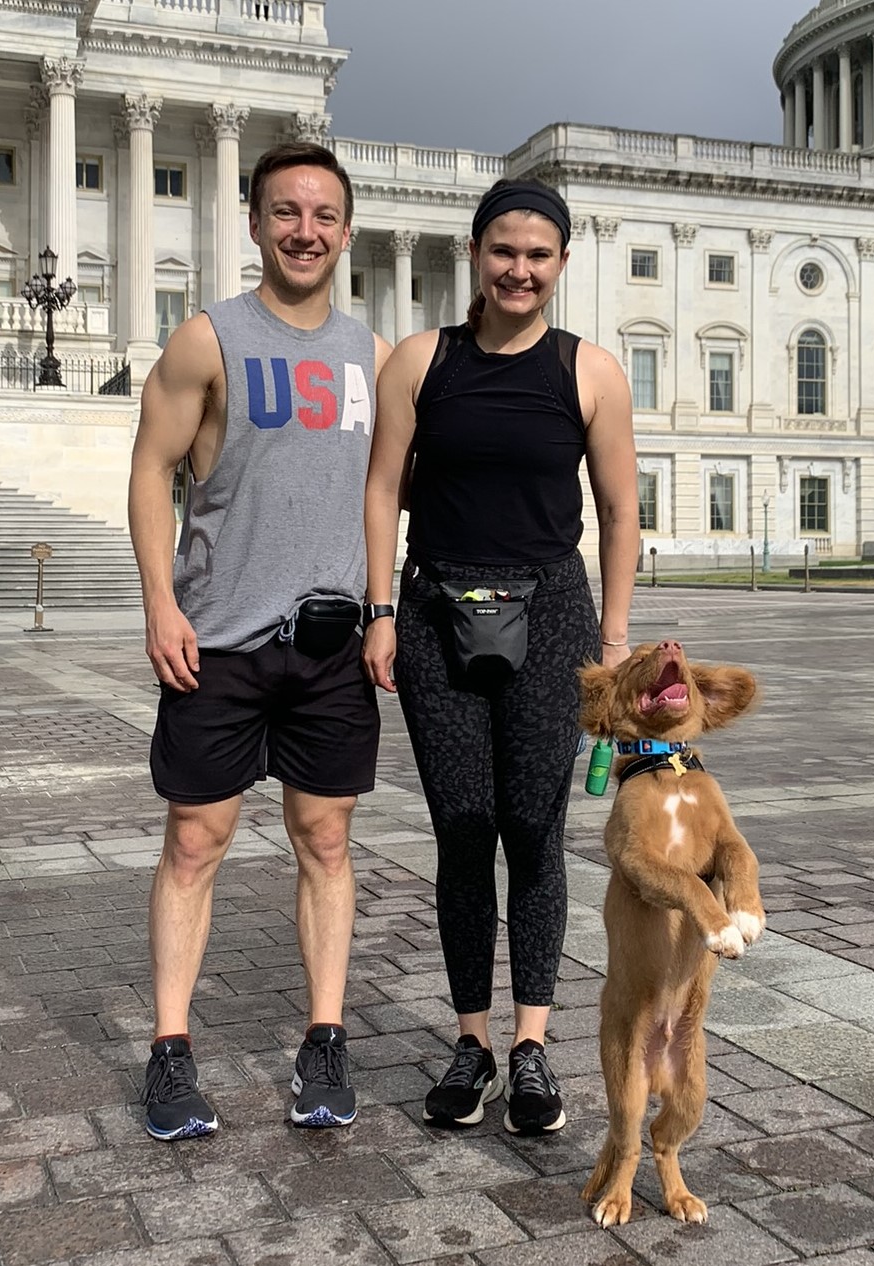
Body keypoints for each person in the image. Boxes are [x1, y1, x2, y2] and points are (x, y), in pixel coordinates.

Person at [362, 179, 639, 1135]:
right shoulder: (419, 360)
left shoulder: (590, 373)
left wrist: (612, 645)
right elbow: (380, 487)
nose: (520, 270)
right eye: (504, 251)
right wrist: (382, 610)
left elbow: (617, 514)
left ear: (561, 264)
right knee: (462, 829)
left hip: (552, 613)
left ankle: (531, 1046)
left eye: (540, 254)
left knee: (533, 828)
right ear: (476, 254)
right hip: (439, 607)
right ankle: (471, 1041)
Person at [128, 140, 390, 1139]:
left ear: (348, 231)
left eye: (323, 215)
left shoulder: (371, 357)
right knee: (196, 841)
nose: (305, 231)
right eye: (286, 212)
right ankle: (169, 1048)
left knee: (326, 839)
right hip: (220, 640)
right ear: (254, 224)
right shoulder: (208, 341)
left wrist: (382, 608)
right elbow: (151, 469)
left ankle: (325, 1039)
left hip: (328, 648)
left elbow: (383, 494)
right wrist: (160, 602)